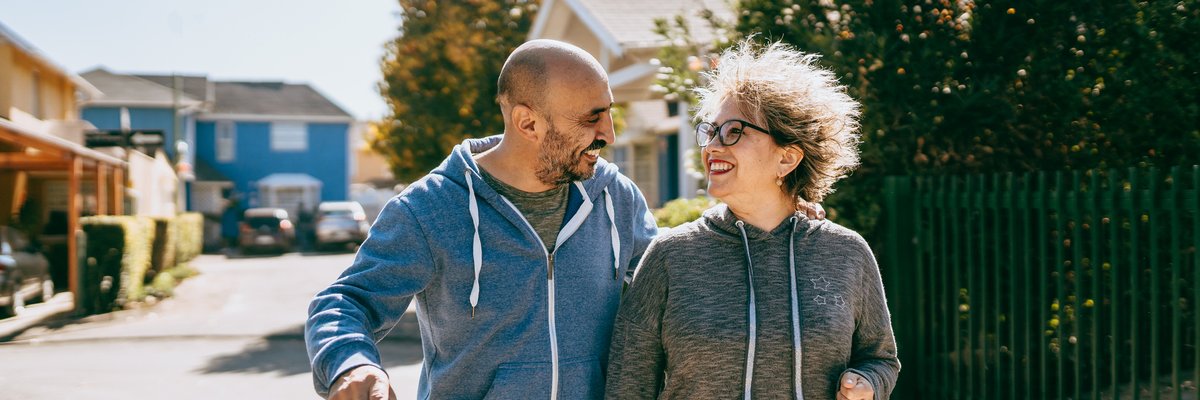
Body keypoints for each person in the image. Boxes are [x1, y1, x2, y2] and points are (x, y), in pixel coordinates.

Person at [304, 39, 660, 400]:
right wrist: (351, 363)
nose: (609, 134)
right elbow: (345, 302)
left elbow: (667, 295)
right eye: (591, 118)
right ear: (528, 123)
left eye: (609, 112)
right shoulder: (431, 209)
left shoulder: (617, 198)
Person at [605, 41, 900, 400]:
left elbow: (881, 358)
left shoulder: (846, 253)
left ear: (787, 158)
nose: (712, 146)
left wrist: (867, 384)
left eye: (733, 132)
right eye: (711, 131)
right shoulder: (670, 256)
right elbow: (628, 385)